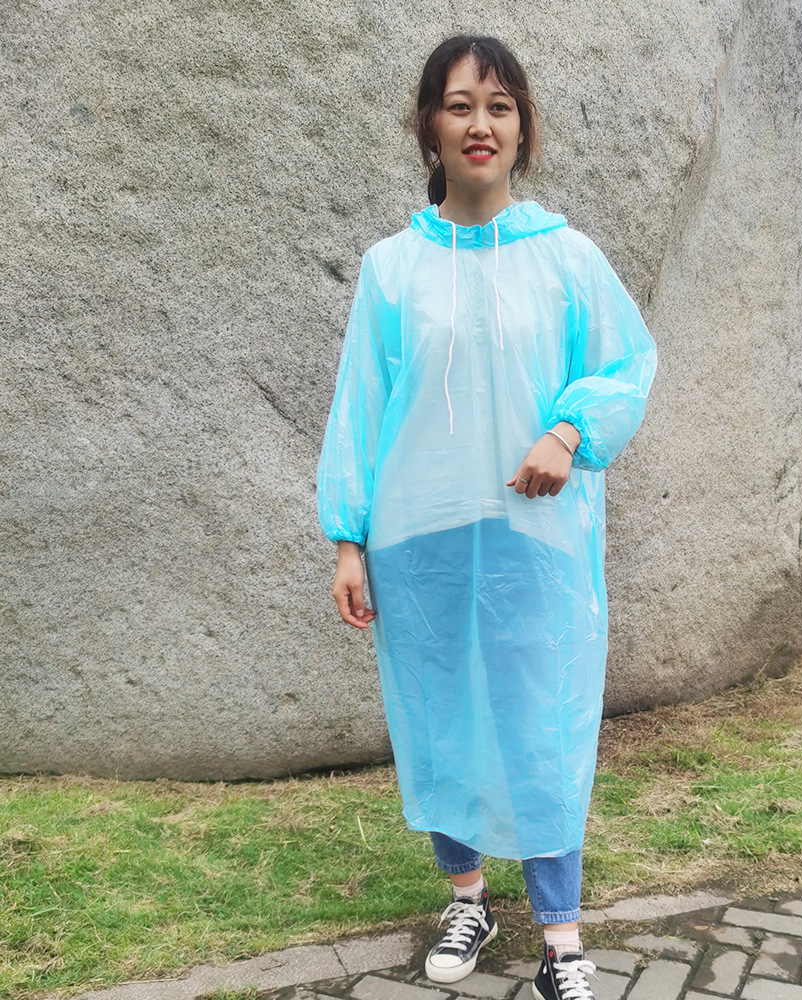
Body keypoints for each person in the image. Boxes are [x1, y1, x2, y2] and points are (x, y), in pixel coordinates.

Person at [317, 34, 656, 1000]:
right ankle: (467, 898)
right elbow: (360, 405)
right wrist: (348, 539)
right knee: (440, 721)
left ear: (522, 128)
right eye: (460, 104)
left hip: (535, 539)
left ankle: (562, 942)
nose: (480, 124)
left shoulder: (567, 258)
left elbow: (626, 364)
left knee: (544, 724)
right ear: (429, 125)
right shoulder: (392, 269)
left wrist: (567, 432)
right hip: (416, 536)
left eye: (499, 106)